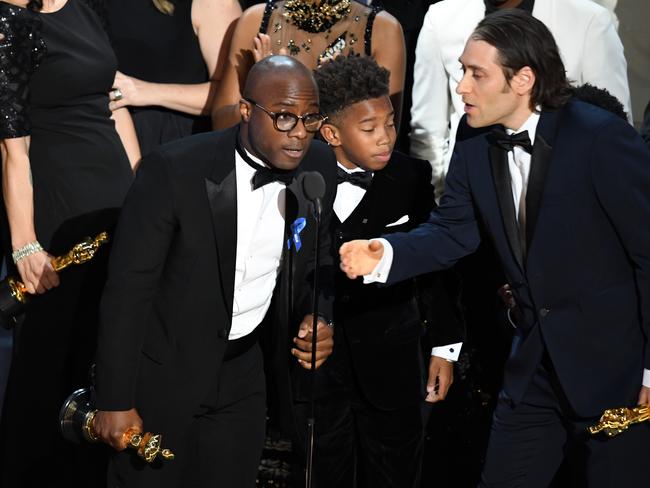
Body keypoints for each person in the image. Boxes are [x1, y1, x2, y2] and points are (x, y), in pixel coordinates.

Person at [340, 10, 650, 487]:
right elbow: (453, 231)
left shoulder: (600, 138)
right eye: (462, 69)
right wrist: (388, 253)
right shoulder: (473, 137)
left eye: (475, 74)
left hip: (618, 372)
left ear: (523, 79)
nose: (460, 86)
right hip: (533, 368)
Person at [92, 55, 336, 488]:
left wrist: (318, 314)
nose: (299, 133)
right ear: (246, 110)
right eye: (283, 118)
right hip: (164, 373)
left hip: (244, 371)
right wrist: (114, 398)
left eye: (311, 118)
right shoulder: (173, 170)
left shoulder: (318, 167)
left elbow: (319, 259)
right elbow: (129, 290)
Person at [290, 54, 462, 488]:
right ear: (330, 132)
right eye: (369, 129)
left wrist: (445, 346)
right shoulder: (297, 177)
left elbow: (435, 266)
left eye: (389, 123)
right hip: (317, 370)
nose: (385, 137)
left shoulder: (411, 177)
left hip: (393, 362)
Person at [0, 1, 138, 486]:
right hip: (62, 206)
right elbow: (11, 147)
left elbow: (111, 101)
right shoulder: (7, 20)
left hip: (116, 197)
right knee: (55, 354)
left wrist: (144, 186)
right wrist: (24, 246)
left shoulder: (85, 6)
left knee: (108, 346)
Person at [410, 0, 632, 197]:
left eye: (477, 74)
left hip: (568, 194)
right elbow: (427, 129)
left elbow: (614, 122)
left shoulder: (589, 19)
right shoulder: (442, 17)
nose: (463, 86)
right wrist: (436, 197)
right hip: (472, 193)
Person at [211, 0, 406, 131]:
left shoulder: (382, 29)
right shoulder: (257, 20)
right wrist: (266, 89)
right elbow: (221, 123)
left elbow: (383, 135)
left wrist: (331, 96)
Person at [107, 0, 242, 156]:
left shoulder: (214, 3)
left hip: (176, 147)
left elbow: (232, 98)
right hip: (100, 135)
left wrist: (143, 91)